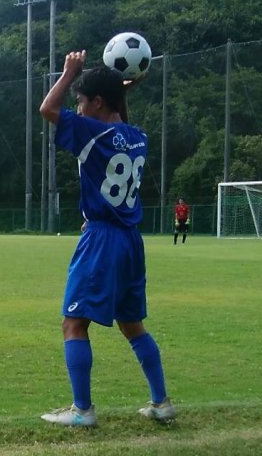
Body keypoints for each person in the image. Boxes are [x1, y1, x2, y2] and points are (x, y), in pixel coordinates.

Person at [36, 50, 173, 427]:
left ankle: (82, 410)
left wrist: (69, 73)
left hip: (102, 239)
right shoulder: (138, 137)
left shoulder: (92, 133)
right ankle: (161, 402)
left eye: (81, 101)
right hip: (130, 240)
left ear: (98, 102)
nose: (77, 109)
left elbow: (48, 109)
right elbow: (118, 120)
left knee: (73, 323)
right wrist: (119, 92)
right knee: (132, 324)